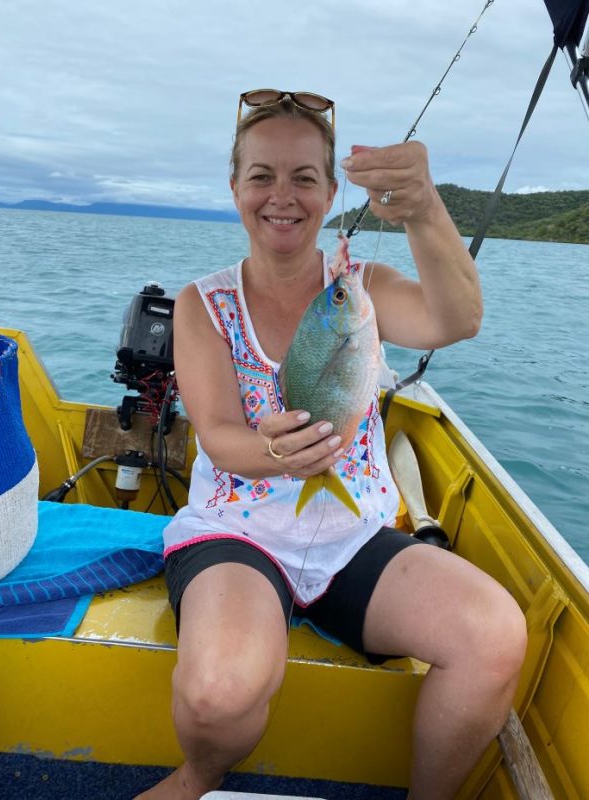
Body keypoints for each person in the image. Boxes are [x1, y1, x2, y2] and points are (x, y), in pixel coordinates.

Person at [136, 90, 527, 800]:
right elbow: (222, 438)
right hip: (238, 531)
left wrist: (422, 209)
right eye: (261, 175)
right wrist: (282, 454)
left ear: (332, 190)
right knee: (218, 690)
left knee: (494, 635)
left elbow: (457, 317)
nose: (281, 196)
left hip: (354, 533)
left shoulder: (362, 290)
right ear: (234, 188)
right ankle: (198, 774)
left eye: (304, 177)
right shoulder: (203, 305)